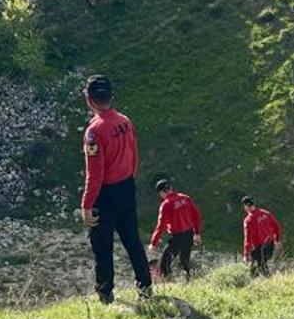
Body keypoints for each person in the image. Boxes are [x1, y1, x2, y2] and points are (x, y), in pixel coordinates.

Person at [80, 75, 152, 304]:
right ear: (111, 96)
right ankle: (145, 285)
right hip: (127, 186)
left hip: (106, 194)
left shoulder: (94, 132)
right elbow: (134, 157)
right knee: (132, 240)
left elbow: (95, 174)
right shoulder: (125, 121)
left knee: (102, 245)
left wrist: (87, 205)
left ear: (89, 99)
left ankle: (105, 292)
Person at [149, 180, 202, 280]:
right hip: (189, 234)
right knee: (184, 260)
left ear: (161, 192)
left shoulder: (166, 205)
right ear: (170, 188)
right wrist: (197, 233)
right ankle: (189, 280)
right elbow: (197, 216)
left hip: (177, 237)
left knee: (164, 263)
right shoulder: (185, 198)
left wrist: (153, 243)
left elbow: (160, 226)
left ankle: (169, 283)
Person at [242, 196, 283, 278]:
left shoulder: (248, 220)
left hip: (259, 248)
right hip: (270, 245)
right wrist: (278, 240)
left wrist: (246, 254)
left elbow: (248, 238)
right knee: (263, 265)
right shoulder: (266, 213)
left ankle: (265, 284)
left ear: (246, 206)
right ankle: (265, 282)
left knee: (256, 268)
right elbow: (277, 227)